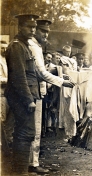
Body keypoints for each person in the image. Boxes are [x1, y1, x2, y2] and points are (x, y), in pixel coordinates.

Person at [28, 19, 75, 174]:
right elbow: (41, 73)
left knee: (34, 130)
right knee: (33, 130)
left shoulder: (37, 46)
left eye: (47, 31)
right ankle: (32, 164)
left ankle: (32, 161)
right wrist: (62, 82)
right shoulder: (33, 46)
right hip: (33, 93)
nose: (45, 34)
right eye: (43, 31)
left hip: (38, 91)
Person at [4, 14, 40, 175]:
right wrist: (28, 100)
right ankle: (19, 172)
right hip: (21, 98)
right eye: (28, 26)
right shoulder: (17, 46)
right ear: (19, 27)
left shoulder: (25, 46)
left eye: (34, 27)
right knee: (24, 133)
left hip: (25, 97)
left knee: (26, 133)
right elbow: (19, 77)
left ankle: (21, 170)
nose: (32, 30)